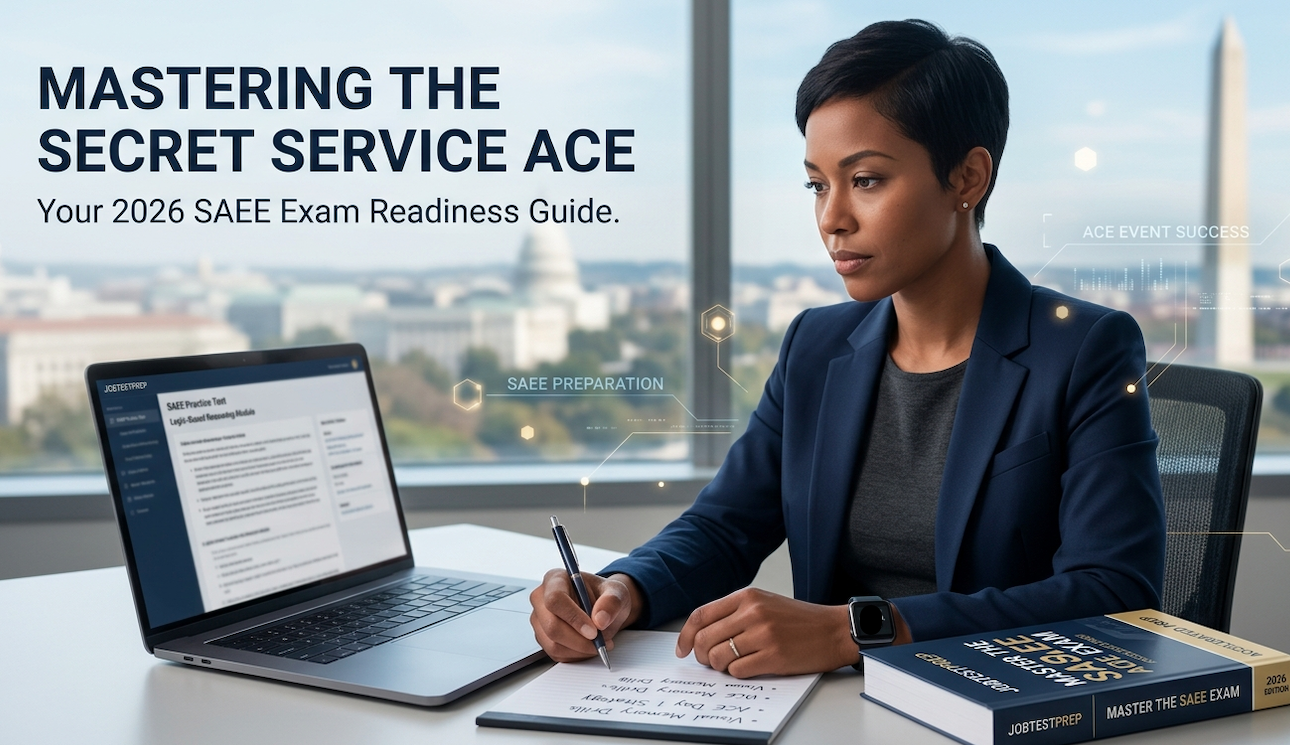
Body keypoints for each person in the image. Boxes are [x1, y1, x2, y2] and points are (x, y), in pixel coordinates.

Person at [529, 19, 1165, 679]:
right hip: (836, 715)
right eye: (817, 184)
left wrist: (856, 630)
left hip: (997, 710)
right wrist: (622, 588)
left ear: (967, 178)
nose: (832, 217)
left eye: (865, 180)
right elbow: (724, 525)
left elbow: (1115, 592)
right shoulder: (816, 343)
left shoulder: (1085, 349)